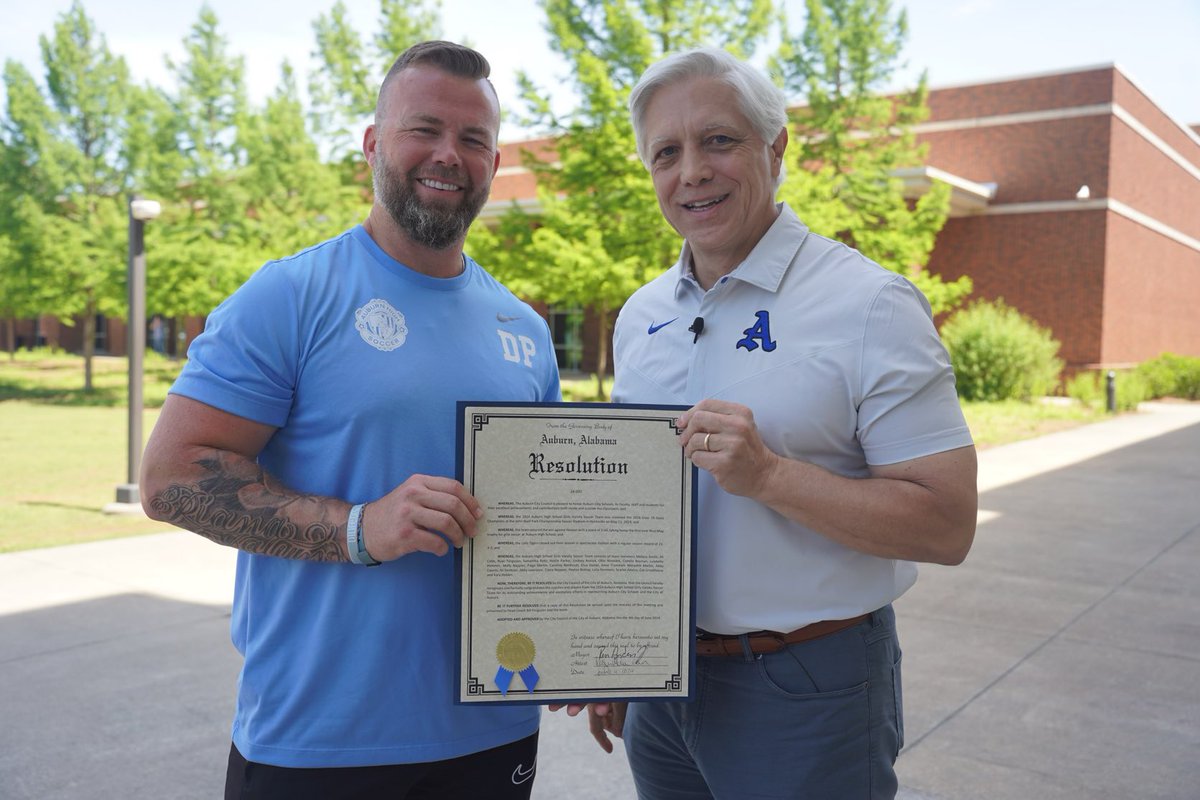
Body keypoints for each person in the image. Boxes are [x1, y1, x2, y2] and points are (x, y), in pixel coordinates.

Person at [140, 41, 559, 800]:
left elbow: (542, 524)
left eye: (473, 139)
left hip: (495, 729)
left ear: (495, 163)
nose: (448, 155)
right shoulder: (290, 296)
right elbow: (171, 479)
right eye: (423, 129)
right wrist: (360, 528)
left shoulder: (523, 330)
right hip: (319, 741)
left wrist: (585, 645)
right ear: (373, 144)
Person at [567, 48, 978, 799]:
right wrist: (612, 649)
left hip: (805, 685)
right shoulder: (642, 316)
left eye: (718, 140)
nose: (691, 170)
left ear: (776, 147)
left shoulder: (869, 306)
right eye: (667, 152)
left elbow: (947, 525)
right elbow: (635, 511)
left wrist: (770, 476)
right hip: (663, 686)